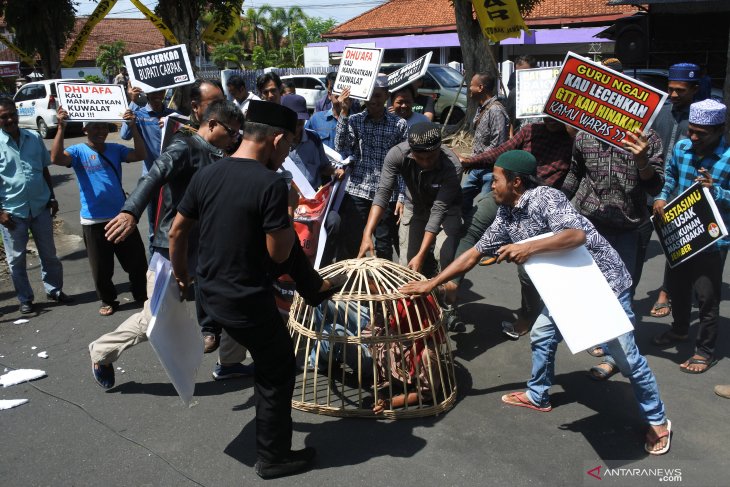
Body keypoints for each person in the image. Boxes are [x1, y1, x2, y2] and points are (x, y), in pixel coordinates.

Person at [401, 150, 672, 455]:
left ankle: (658, 420)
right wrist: (432, 283)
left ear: (516, 182)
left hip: (602, 285)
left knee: (626, 358)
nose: (491, 184)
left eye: (497, 178)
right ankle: (538, 394)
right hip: (565, 288)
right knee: (542, 333)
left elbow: (576, 235)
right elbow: (474, 254)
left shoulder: (546, 197)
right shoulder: (506, 214)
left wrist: (528, 248)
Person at [169, 100, 327, 479]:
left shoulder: (208, 173)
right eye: (289, 146)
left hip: (211, 296)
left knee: (269, 362)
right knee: (278, 368)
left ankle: (316, 290)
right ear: (276, 140)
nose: (288, 154)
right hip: (245, 300)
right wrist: (288, 212)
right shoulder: (271, 184)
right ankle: (273, 458)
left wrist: (182, 277)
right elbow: (279, 255)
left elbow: (177, 231)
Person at [87, 100, 245, 389]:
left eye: (238, 133)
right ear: (211, 124)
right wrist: (130, 211)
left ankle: (231, 363)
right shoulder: (184, 147)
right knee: (155, 320)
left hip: (206, 249)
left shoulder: (218, 153)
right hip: (171, 250)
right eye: (232, 132)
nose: (235, 138)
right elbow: (154, 175)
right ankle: (101, 352)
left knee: (236, 298)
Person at [443, 118, 574, 333]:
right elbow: (502, 152)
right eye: (549, 113)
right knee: (473, 228)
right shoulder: (531, 130)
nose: (551, 119)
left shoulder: (574, 140)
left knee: (528, 270)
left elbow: (575, 175)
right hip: (511, 196)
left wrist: (558, 202)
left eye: (558, 116)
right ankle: (452, 285)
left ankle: (528, 314)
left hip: (544, 208)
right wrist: (471, 161)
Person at [563, 121, 664, 380]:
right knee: (591, 287)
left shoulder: (647, 138)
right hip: (590, 223)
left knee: (621, 293)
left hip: (629, 228)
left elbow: (655, 187)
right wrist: (557, 206)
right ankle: (599, 336)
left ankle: (613, 357)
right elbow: (575, 173)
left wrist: (642, 160)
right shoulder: (584, 135)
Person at [652, 99, 729, 374]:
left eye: (700, 133)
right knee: (678, 287)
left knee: (707, 297)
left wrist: (717, 192)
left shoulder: (728, 157)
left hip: (712, 241)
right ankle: (680, 330)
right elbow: (670, 177)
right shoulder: (682, 149)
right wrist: (662, 197)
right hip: (680, 232)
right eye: (691, 131)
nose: (693, 137)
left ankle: (705, 351)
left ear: (720, 130)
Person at [51, 109, 148, 316]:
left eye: (103, 126)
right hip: (93, 220)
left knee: (137, 262)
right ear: (85, 129)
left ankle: (141, 294)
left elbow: (140, 154)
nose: (100, 130)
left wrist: (133, 127)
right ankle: (108, 300)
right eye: (95, 126)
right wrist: (61, 127)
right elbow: (57, 158)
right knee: (101, 268)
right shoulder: (78, 151)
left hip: (121, 217)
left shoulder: (115, 149)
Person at [358, 122, 462, 277]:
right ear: (411, 152)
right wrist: (367, 234)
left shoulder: (453, 166)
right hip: (415, 206)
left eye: (431, 157)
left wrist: (422, 254)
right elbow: (383, 194)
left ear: (439, 149)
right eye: (420, 158)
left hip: (447, 210)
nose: (426, 163)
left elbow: (438, 210)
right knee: (407, 265)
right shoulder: (397, 154)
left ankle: (443, 294)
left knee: (444, 255)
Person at [0, 98, 71, 315]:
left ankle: (54, 290)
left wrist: (51, 196)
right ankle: (25, 298)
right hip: (12, 212)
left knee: (49, 253)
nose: (10, 119)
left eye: (12, 114)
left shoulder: (33, 137)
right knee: (16, 260)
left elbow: (44, 169)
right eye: (4, 116)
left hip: (40, 206)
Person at [334, 77, 408, 260]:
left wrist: (401, 196)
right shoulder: (354, 120)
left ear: (386, 96)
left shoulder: (399, 124)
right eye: (369, 96)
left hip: (387, 193)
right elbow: (340, 147)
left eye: (378, 95)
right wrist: (344, 111)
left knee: (383, 244)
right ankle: (349, 281)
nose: (373, 100)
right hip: (358, 190)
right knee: (352, 241)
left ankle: (382, 285)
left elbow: (404, 164)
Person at [647, 63, 700, 318]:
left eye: (681, 90)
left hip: (681, 192)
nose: (675, 95)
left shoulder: (700, 118)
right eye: (671, 89)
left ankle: (666, 293)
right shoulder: (660, 111)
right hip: (649, 189)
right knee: (639, 244)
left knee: (674, 247)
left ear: (695, 89)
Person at [121, 87, 178, 249]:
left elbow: (188, 134)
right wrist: (132, 101)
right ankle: (153, 270)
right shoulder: (138, 114)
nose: (157, 96)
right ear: (146, 94)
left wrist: (172, 124)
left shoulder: (172, 114)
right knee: (153, 229)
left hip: (172, 177)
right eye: (153, 93)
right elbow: (124, 135)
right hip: (151, 178)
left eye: (160, 92)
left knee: (174, 225)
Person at [462, 72, 509, 217]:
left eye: (471, 85)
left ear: (480, 87)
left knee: (484, 208)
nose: (469, 88)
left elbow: (498, 145)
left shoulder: (496, 110)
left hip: (489, 171)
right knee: (462, 199)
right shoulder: (481, 108)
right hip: (476, 168)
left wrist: (475, 160)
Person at [505, 55, 537, 136]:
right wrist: (511, 137)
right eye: (518, 73)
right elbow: (510, 118)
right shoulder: (514, 93)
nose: (521, 76)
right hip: (520, 140)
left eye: (525, 72)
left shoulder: (545, 92)